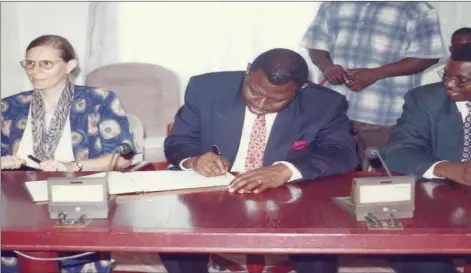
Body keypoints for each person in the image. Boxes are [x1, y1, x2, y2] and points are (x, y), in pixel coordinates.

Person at [162, 48, 358, 273]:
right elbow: (179, 140)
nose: (262, 104)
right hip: (212, 189)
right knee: (172, 231)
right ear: (248, 71)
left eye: (277, 99)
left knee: (317, 241)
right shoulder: (205, 89)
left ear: (301, 87)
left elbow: (342, 153)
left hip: (288, 193)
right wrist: (195, 161)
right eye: (254, 91)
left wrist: (287, 170)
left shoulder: (324, 104)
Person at [1, 35, 136, 273]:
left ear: (70, 66)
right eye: (30, 64)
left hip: (76, 195)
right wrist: (5, 161)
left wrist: (72, 165)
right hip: (19, 200)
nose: (35, 71)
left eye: (46, 64)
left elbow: (121, 157)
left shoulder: (99, 100)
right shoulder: (10, 106)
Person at [302, 2, 447, 170]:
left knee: (382, 178)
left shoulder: (417, 8)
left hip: (381, 114)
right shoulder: (333, 4)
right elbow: (315, 43)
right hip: (332, 112)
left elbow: (428, 56)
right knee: (330, 173)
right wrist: (327, 67)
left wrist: (377, 73)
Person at [381, 43, 471, 273]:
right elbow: (398, 150)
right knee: (418, 258)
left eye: (462, 80)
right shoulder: (424, 99)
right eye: (447, 75)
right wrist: (445, 168)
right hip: (435, 200)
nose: (449, 85)